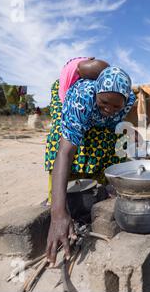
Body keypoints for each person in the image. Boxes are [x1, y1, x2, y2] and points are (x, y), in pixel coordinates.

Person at [44, 66, 136, 266]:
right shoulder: (82, 97)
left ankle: (102, 185)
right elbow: (65, 152)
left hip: (98, 117)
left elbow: (118, 125)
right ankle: (57, 200)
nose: (110, 109)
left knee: (113, 139)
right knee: (67, 143)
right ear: (96, 92)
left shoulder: (129, 100)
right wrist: (57, 214)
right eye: (104, 103)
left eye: (116, 107)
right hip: (74, 104)